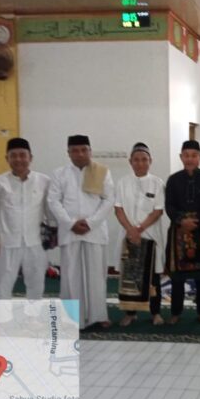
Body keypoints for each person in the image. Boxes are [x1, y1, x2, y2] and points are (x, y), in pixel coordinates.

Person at [47, 135, 114, 330]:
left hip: (95, 231)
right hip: (70, 231)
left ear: (90, 151)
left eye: (84, 150)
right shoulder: (59, 174)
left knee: (97, 276)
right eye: (75, 150)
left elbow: (108, 199)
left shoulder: (102, 171)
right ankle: (71, 318)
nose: (80, 154)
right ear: (68, 153)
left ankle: (99, 315)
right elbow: (53, 201)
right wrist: (70, 224)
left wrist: (91, 223)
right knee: (71, 276)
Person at [0, 137, 53, 300]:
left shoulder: (44, 181)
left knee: (36, 283)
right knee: (2, 284)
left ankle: (33, 314)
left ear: (30, 157)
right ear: (7, 158)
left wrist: (52, 236)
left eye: (22, 155)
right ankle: (1, 316)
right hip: (6, 243)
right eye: (13, 155)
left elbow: (50, 211)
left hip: (35, 242)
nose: (18, 159)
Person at [164, 140, 200, 324]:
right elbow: (169, 206)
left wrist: (195, 220)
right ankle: (176, 312)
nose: (190, 159)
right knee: (177, 276)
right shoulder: (173, 180)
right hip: (178, 232)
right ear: (181, 157)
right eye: (186, 155)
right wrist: (182, 221)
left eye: (194, 155)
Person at [114, 142, 166, 327]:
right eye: (136, 160)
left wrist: (139, 229)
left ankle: (156, 313)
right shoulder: (122, 182)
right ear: (130, 161)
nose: (140, 163)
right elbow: (118, 209)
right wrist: (131, 230)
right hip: (129, 236)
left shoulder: (157, 182)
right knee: (130, 276)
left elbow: (158, 211)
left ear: (150, 161)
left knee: (153, 278)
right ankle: (130, 313)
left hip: (150, 236)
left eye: (144, 159)